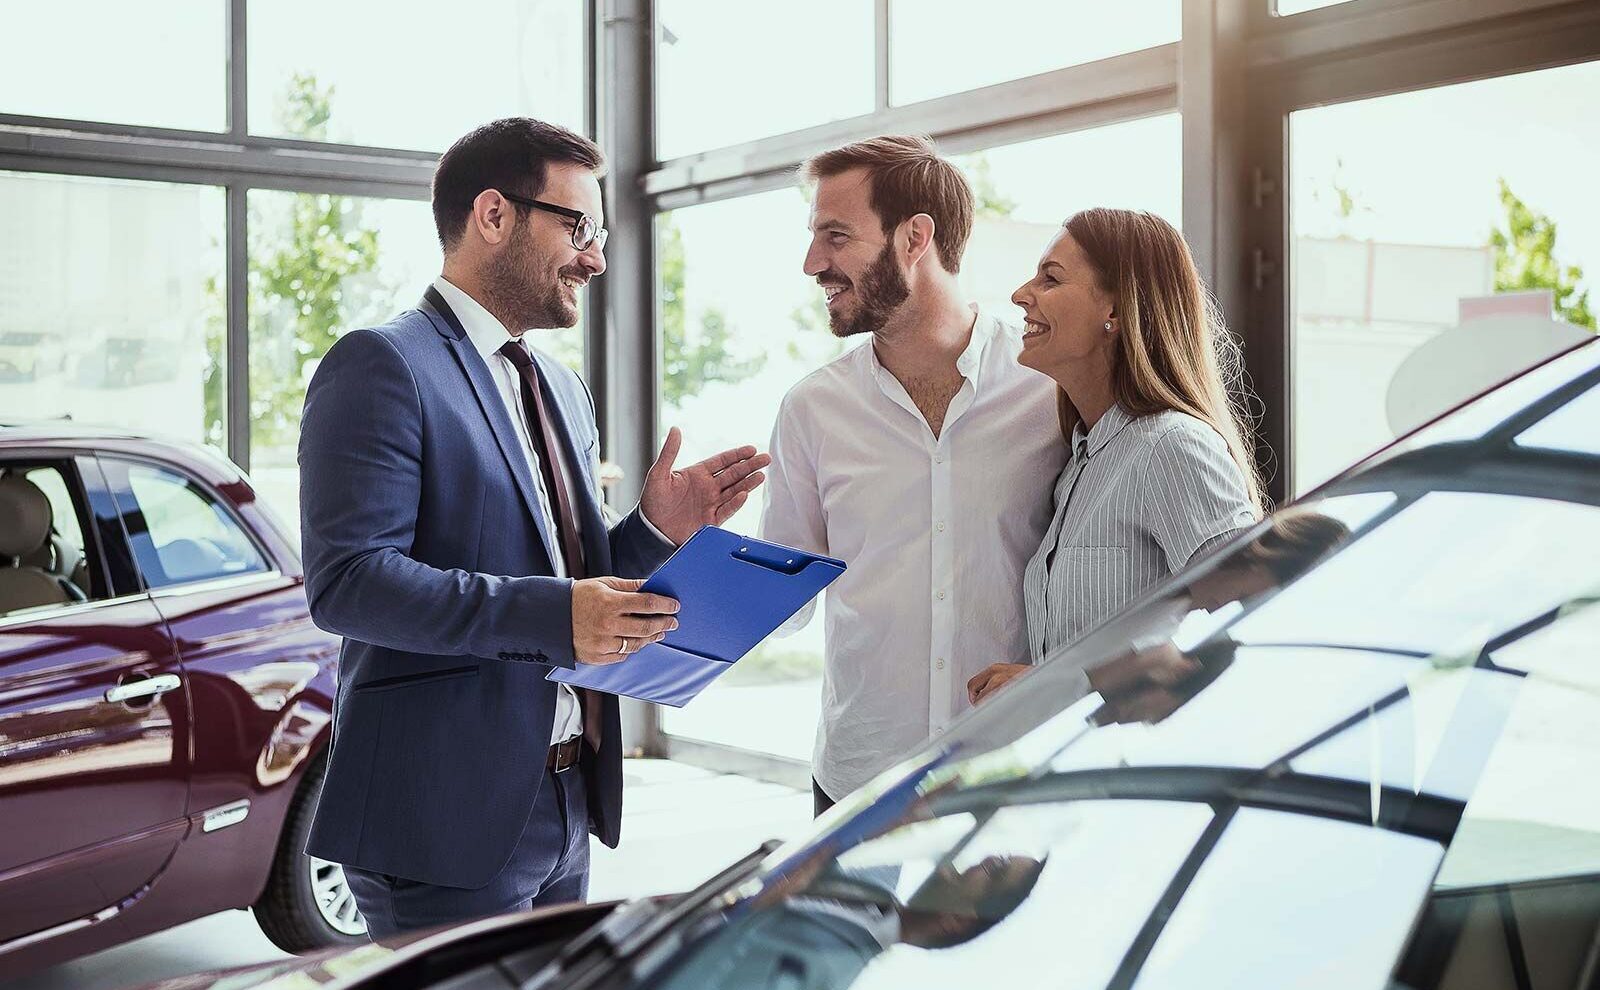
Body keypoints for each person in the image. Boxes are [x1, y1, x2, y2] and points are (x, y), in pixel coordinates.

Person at [298, 118, 769, 937]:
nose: (594, 257)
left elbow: (570, 575)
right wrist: (557, 616)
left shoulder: (558, 386)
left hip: (563, 800)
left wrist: (656, 529)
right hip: (440, 817)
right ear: (493, 215)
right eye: (577, 226)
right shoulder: (381, 364)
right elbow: (350, 582)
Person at [758, 136, 1068, 817]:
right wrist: (681, 548)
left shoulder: (1049, 388)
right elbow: (782, 601)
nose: (813, 264)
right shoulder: (813, 408)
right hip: (858, 781)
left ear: (914, 237)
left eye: (835, 237)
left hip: (1013, 772)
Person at [966, 208, 1263, 707]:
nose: (1021, 295)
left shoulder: (1171, 447)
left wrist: (1055, 683)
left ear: (1118, 312)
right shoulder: (1081, 462)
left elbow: (1249, 624)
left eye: (1051, 278)